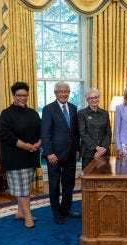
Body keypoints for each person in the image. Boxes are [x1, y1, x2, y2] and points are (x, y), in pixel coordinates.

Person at [0, 82, 41, 228]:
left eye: (25, 95)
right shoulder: (6, 114)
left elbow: (42, 130)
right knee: (21, 188)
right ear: (13, 95)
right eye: (19, 95)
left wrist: (38, 144)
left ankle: (20, 212)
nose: (22, 98)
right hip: (14, 157)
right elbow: (5, 135)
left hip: (31, 155)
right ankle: (28, 215)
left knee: (25, 186)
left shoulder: (33, 113)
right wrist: (25, 146)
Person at [41, 81, 80, 225]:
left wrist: (77, 149)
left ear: (69, 93)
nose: (63, 94)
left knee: (69, 183)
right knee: (54, 185)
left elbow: (75, 133)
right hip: (54, 156)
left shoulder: (73, 108)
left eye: (66, 91)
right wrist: (49, 153)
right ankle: (56, 213)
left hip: (71, 154)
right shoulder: (48, 109)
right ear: (55, 93)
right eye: (60, 91)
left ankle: (66, 209)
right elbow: (45, 133)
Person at [78, 88, 111, 168]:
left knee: (104, 178)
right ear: (87, 100)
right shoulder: (82, 113)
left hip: (104, 152)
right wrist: (96, 148)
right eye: (91, 98)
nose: (94, 100)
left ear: (99, 98)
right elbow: (83, 133)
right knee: (88, 178)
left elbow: (108, 133)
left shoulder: (104, 113)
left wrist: (102, 149)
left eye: (96, 97)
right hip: (88, 153)